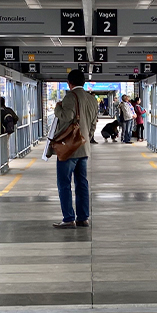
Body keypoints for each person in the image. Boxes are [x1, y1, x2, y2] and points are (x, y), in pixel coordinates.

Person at [51, 70, 98, 229]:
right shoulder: (92, 99)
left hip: (69, 149)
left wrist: (57, 108)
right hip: (83, 148)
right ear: (83, 82)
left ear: (69, 83)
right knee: (81, 183)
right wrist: (85, 138)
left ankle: (69, 218)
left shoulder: (70, 96)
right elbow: (93, 124)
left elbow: (66, 116)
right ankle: (83, 218)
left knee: (64, 183)